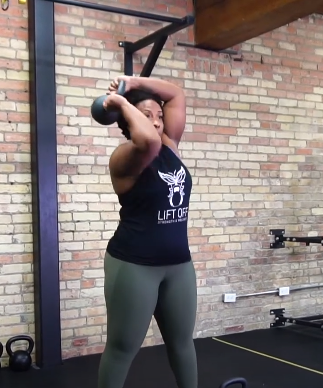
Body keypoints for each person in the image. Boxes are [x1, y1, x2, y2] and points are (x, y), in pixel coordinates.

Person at [97, 75, 197, 388]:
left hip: (178, 264)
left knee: (182, 343)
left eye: (158, 115)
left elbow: (176, 94)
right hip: (134, 265)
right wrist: (121, 102)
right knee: (122, 348)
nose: (156, 122)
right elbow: (148, 142)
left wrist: (131, 81)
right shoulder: (125, 157)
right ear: (128, 120)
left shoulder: (170, 145)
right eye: (146, 116)